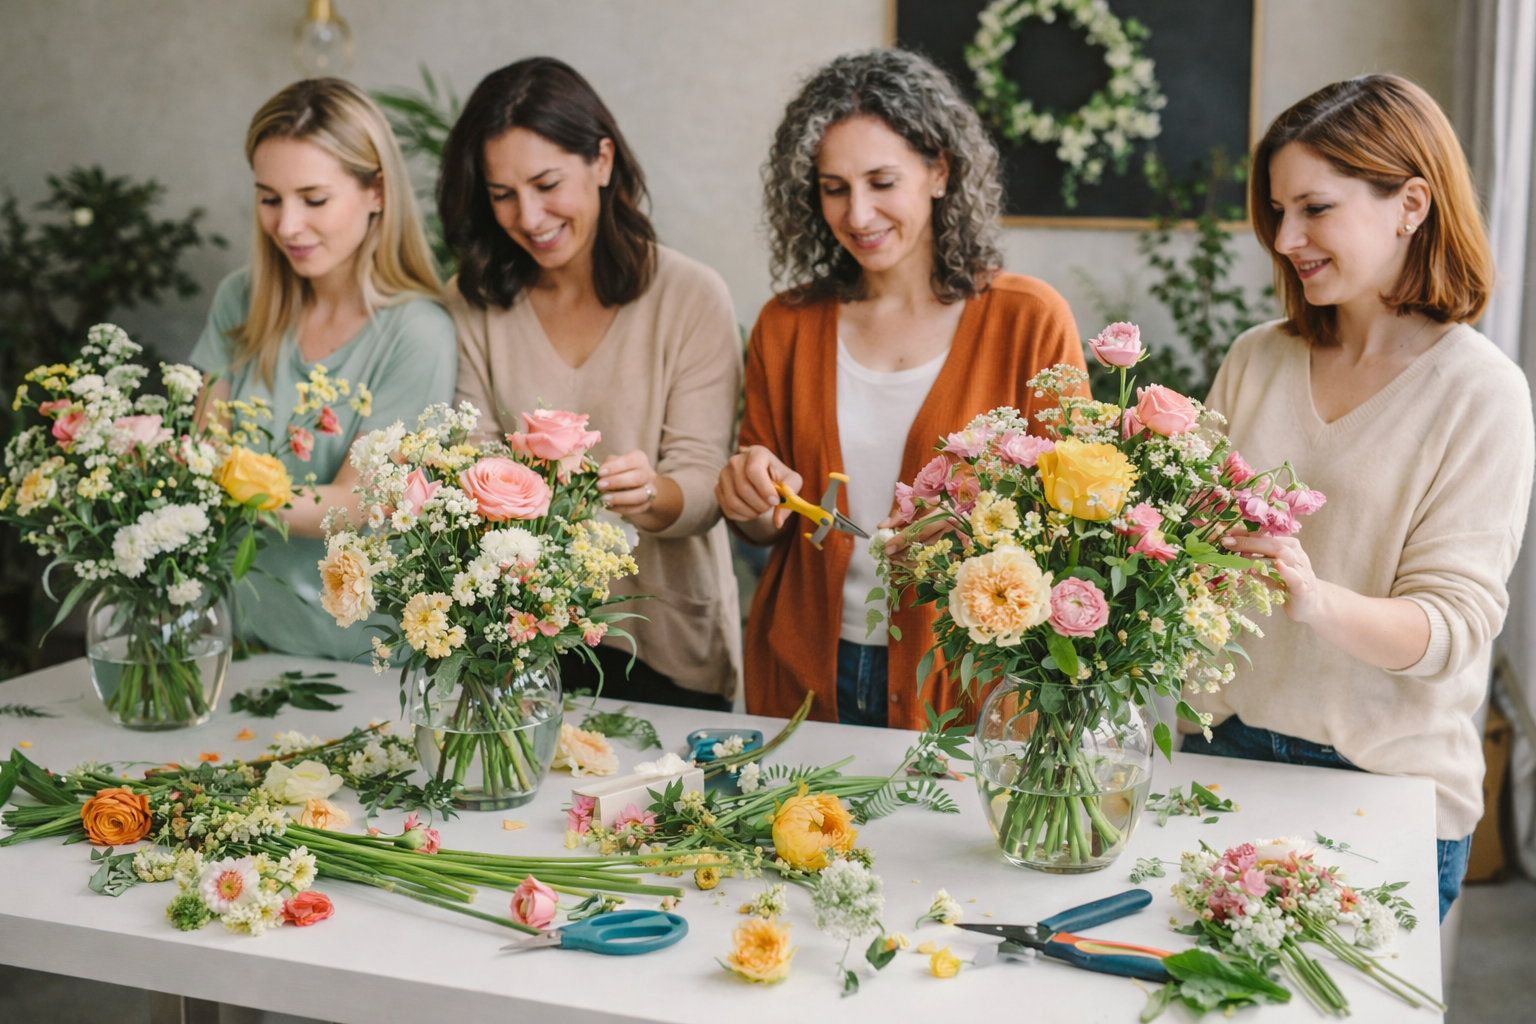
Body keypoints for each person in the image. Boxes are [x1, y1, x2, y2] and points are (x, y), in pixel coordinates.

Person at [1184, 75, 1534, 921]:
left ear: (1411, 202)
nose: (1287, 237)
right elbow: (1187, 540)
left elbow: (1453, 632)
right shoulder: (1256, 357)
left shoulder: (1480, 392)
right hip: (1221, 751)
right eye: (1278, 211)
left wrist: (1313, 598)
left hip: (1383, 788)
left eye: (1315, 208)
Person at [716, 50, 1085, 729]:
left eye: (882, 181)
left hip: (969, 680)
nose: (858, 214)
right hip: (801, 674)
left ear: (939, 171)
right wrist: (748, 494)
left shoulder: (1027, 320)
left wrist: (968, 535)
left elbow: (1076, 527)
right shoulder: (785, 325)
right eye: (834, 188)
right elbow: (762, 527)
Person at [442, 58, 742, 711]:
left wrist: (652, 493)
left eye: (547, 183)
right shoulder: (470, 306)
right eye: (501, 195)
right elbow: (469, 469)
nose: (528, 216)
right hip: (513, 643)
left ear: (602, 161)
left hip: (663, 649)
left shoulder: (691, 297)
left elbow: (703, 484)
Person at [191, 78, 457, 661]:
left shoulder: (418, 333)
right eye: (269, 198)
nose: (287, 226)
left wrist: (219, 482)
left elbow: (354, 505)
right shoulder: (242, 298)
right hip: (226, 640)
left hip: (351, 661)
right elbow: (199, 440)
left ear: (377, 192)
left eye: (314, 200)